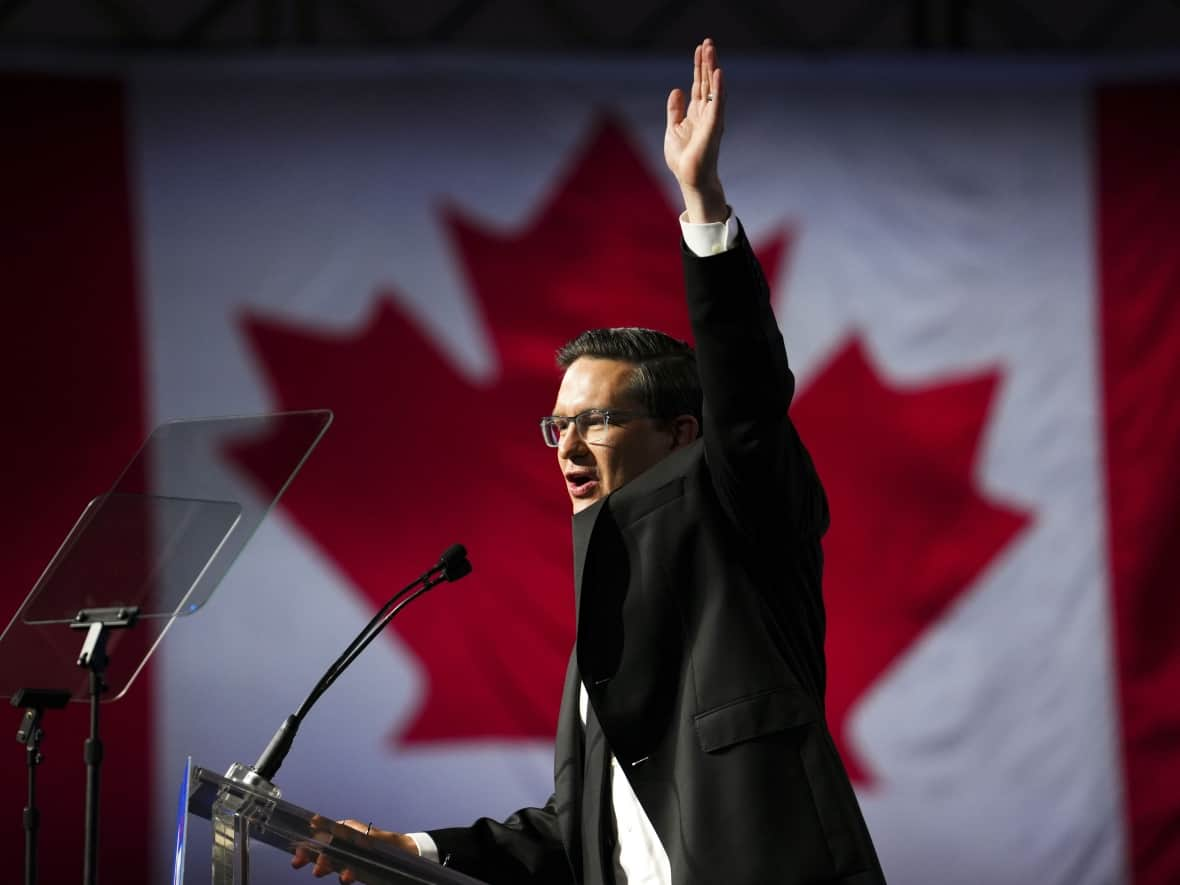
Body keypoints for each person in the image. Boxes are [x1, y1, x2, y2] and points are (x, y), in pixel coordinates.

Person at [296, 37, 886, 885]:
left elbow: (749, 402)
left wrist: (703, 203)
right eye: (556, 426)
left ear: (684, 433)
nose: (566, 445)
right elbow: (577, 834)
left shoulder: (748, 523)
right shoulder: (604, 633)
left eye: (597, 421)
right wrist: (410, 849)